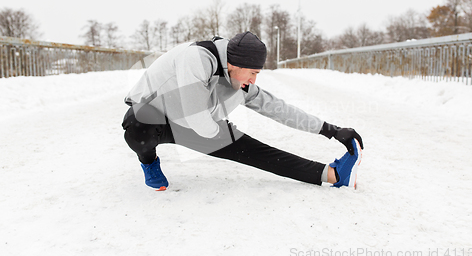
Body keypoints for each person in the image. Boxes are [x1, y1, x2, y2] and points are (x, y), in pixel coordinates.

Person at [122, 31, 364, 190]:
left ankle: (331, 175)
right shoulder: (196, 58)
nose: (254, 80)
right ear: (234, 64)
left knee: (256, 151)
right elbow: (198, 121)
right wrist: (222, 137)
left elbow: (277, 108)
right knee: (137, 129)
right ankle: (149, 162)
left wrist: (329, 130)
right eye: (253, 73)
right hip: (154, 116)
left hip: (199, 123)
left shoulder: (239, 81)